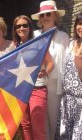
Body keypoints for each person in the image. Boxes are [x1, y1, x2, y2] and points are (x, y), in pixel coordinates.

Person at [31, 1, 70, 140]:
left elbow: (69, 61)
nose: (45, 17)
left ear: (55, 16)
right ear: (39, 19)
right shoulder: (34, 35)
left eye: (49, 14)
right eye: (42, 15)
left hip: (55, 84)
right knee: (38, 118)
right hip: (37, 83)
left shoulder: (64, 37)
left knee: (53, 119)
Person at [12, 15, 54, 140]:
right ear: (14, 29)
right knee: (25, 126)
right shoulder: (14, 46)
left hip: (38, 89)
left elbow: (50, 63)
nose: (22, 28)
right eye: (18, 26)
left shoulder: (39, 43)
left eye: (25, 25)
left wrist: (45, 71)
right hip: (20, 91)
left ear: (30, 27)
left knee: (38, 127)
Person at [55, 12, 82, 140]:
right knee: (65, 135)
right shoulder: (71, 43)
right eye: (79, 24)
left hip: (80, 101)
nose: (81, 27)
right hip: (67, 100)